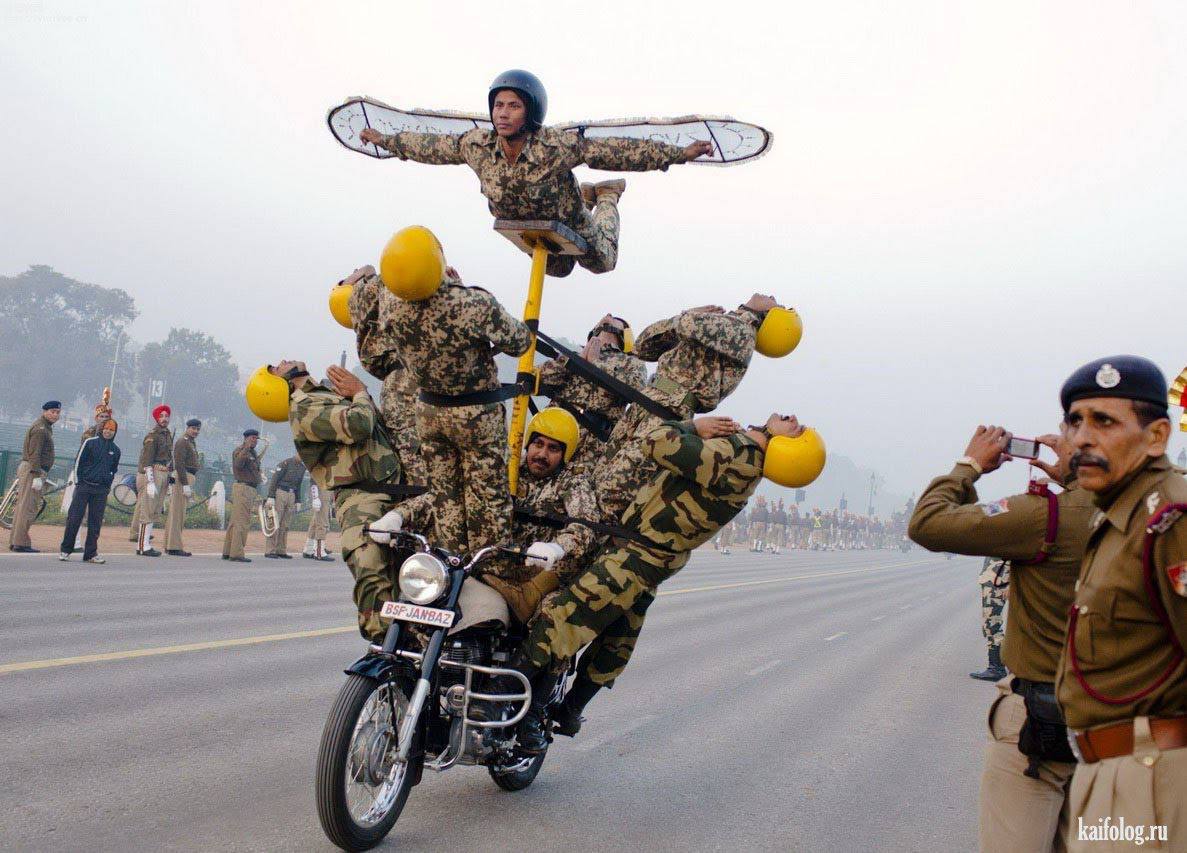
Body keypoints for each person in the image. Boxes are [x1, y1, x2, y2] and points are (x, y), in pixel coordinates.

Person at [514, 412, 812, 752]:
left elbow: (655, 441)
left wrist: (692, 427)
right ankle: (569, 712)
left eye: (795, 428)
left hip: (631, 559)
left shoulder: (738, 457)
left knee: (559, 624)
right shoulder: (746, 465)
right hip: (648, 564)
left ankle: (516, 712)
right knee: (616, 643)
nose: (791, 418)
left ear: (784, 447)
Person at [908, 424, 1095, 853]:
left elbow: (929, 522)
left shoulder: (1044, 514)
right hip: (1124, 736)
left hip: (1039, 730)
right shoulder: (1154, 512)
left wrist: (969, 465)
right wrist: (1075, 476)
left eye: (1066, 431)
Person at [359, 69, 713, 278]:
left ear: (530, 112)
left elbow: (615, 150)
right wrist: (386, 141)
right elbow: (431, 146)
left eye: (514, 106)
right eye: (498, 105)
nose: (503, 113)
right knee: (557, 271)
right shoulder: (477, 145)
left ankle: (604, 197)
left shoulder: (555, 146)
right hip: (524, 224)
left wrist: (677, 153)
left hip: (568, 219)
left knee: (602, 262)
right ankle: (590, 196)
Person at [1051, 356, 1187, 851]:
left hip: (1152, 779)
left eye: (1104, 421)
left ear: (1156, 437)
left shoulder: (1171, 519)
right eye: (1075, 421)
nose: (1082, 438)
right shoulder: (1117, 515)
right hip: (1106, 771)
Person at [376, 226, 531, 555]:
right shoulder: (471, 302)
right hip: (476, 416)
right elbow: (520, 342)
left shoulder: (389, 303)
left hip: (429, 412)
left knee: (445, 499)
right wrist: (455, 287)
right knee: (489, 501)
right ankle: (490, 571)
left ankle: (450, 562)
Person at [255, 360, 427, 643]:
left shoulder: (323, 395)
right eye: (276, 367)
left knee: (415, 574)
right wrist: (359, 393)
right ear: (277, 385)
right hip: (363, 498)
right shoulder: (303, 407)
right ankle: (384, 649)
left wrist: (360, 395)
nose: (284, 360)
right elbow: (358, 424)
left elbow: (378, 427)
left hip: (396, 493)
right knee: (372, 569)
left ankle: (415, 643)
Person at [595, 296, 788, 523]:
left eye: (775, 302)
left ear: (769, 316)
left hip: (666, 412)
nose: (769, 296)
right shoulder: (718, 325)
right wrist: (684, 318)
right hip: (649, 402)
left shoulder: (741, 331)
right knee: (601, 474)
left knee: (615, 487)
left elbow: (686, 324)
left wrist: (688, 315)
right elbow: (643, 345)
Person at [480, 407, 600, 623]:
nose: (542, 454)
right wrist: (400, 515)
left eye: (553, 448)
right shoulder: (509, 468)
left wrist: (556, 548)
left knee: (550, 621)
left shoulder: (572, 481)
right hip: (494, 566)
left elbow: (586, 526)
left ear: (565, 454)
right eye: (538, 444)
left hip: (538, 575)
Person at [537, 314, 647, 476]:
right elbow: (539, 380)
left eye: (616, 319)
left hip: (592, 440)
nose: (608, 316)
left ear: (625, 335)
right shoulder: (574, 354)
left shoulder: (631, 363)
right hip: (552, 428)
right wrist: (577, 361)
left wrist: (596, 365)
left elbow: (634, 390)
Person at [347, 266, 426, 484]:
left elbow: (345, 290)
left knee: (412, 458)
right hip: (423, 374)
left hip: (403, 379)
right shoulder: (409, 288)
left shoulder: (368, 292)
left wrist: (363, 274)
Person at [59, 419, 120, 564]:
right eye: (106, 428)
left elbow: (113, 469)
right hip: (84, 486)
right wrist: (79, 482)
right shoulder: (90, 442)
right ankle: (66, 550)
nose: (108, 431)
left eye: (111, 429)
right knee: (74, 518)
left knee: (95, 523)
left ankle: (90, 553)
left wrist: (107, 486)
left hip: (101, 490)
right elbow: (78, 462)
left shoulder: (116, 450)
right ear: (101, 428)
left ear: (115, 432)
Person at [8, 401, 59, 553]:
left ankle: (16, 540)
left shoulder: (44, 427)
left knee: (23, 507)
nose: (55, 415)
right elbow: (34, 454)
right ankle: (21, 543)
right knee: (28, 508)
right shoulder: (41, 429)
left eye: (57, 412)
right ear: (44, 411)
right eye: (52, 411)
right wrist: (37, 475)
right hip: (33, 470)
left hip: (31, 470)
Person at [133, 404, 173, 556]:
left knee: (155, 509)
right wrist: (149, 481)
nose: (164, 419)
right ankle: (142, 545)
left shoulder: (167, 434)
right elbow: (146, 459)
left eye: (166, 416)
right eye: (161, 416)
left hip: (163, 471)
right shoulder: (153, 435)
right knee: (148, 509)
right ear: (156, 418)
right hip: (152, 472)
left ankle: (146, 544)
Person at [222, 429, 261, 563]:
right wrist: (246, 448)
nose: (254, 440)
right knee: (241, 522)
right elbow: (238, 464)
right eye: (252, 438)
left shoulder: (252, 453)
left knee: (235, 521)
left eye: (256, 438)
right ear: (245, 438)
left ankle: (228, 551)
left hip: (249, 488)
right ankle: (237, 553)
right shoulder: (240, 450)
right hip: (243, 487)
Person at [165, 418, 201, 557]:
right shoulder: (182, 441)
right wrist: (185, 484)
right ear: (187, 428)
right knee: (177, 513)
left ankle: (170, 545)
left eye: (197, 429)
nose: (195, 431)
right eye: (193, 428)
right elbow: (179, 463)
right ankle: (174, 546)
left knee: (177, 513)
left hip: (187, 476)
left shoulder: (190, 442)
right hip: (183, 476)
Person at [972, 557, 1010, 681]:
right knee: (991, 624)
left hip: (999, 580)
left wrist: (1011, 581)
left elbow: (1016, 554)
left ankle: (997, 668)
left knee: (992, 624)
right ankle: (999, 666)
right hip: (995, 579)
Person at [264, 454, 305, 559]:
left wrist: (298, 500)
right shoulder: (286, 463)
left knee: (285, 524)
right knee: (275, 521)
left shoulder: (302, 467)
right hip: (281, 492)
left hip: (292, 494)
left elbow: (299, 485)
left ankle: (281, 550)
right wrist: (271, 496)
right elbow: (274, 479)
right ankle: (270, 550)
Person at [302, 481, 334, 561]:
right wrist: (315, 497)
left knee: (315, 522)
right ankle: (319, 552)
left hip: (327, 490)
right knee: (322, 523)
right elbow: (313, 477)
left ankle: (308, 550)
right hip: (321, 491)